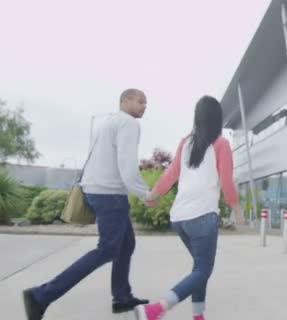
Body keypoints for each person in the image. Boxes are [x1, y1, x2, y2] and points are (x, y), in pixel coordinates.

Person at [22, 89, 153, 320]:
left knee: (126, 245)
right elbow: (127, 166)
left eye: (146, 103)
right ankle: (41, 295)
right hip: (110, 194)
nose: (145, 106)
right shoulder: (128, 124)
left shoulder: (106, 123)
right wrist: (146, 194)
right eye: (141, 101)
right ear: (125, 101)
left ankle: (121, 297)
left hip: (96, 190)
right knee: (107, 250)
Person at [135, 95, 242, 320]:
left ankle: (198, 316)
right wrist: (237, 210)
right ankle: (157, 309)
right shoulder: (221, 144)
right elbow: (226, 181)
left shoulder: (186, 142)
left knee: (198, 270)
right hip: (202, 217)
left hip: (180, 218)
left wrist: (153, 194)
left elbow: (171, 173)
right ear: (217, 118)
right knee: (203, 271)